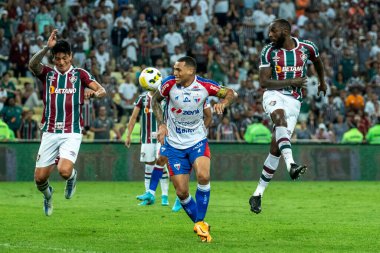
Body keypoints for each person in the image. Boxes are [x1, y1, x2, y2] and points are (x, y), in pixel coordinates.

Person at [152, 56, 237, 242]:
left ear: (191, 71)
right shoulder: (168, 84)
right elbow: (154, 101)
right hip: (174, 144)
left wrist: (223, 103)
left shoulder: (205, 86)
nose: (175, 73)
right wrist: (161, 125)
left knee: (203, 176)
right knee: (182, 192)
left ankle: (199, 223)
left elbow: (231, 93)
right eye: (174, 69)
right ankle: (201, 224)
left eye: (178, 70)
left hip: (197, 140)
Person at [249, 19, 327, 214]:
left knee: (276, 149)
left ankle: (257, 194)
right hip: (274, 94)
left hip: (294, 101)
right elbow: (264, 82)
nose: (270, 35)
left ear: (285, 31)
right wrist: (292, 80)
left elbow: (318, 62)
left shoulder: (307, 47)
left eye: (273, 31)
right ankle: (291, 165)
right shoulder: (269, 51)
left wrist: (322, 82)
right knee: (279, 118)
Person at [29, 29, 106, 216]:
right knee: (39, 179)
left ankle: (71, 178)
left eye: (65, 58)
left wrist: (94, 93)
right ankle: (48, 196)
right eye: (57, 58)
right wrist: (47, 48)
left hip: (72, 130)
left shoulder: (80, 74)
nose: (61, 62)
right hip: (50, 131)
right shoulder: (47, 74)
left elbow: (101, 90)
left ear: (71, 56)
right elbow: (33, 64)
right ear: (53, 58)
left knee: (64, 171)